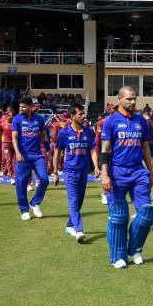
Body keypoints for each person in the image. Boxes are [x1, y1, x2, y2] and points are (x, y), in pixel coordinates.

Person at [100, 86, 153, 268]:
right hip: (117, 172)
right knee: (119, 217)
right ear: (119, 99)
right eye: (129, 99)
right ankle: (118, 256)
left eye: (134, 99)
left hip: (138, 171)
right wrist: (104, 175)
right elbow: (104, 151)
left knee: (147, 213)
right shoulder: (110, 122)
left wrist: (150, 170)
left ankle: (134, 249)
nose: (133, 102)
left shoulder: (141, 120)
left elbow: (146, 148)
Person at [53, 104, 99, 242]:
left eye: (83, 114)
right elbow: (57, 151)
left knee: (79, 200)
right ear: (72, 116)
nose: (83, 116)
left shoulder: (88, 132)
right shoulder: (64, 133)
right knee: (73, 200)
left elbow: (92, 150)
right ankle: (79, 230)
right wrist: (55, 172)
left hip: (84, 171)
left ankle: (69, 225)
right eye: (79, 114)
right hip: (70, 171)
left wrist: (96, 166)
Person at [11, 97, 49, 221]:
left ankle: (35, 203)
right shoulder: (17, 119)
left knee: (44, 179)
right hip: (23, 156)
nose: (20, 109)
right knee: (21, 183)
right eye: (20, 106)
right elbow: (14, 137)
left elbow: (43, 135)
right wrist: (17, 153)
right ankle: (24, 210)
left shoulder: (39, 119)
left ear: (30, 107)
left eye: (23, 107)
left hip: (37, 155)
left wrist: (48, 150)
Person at [95, 106, 116, 205]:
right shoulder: (103, 122)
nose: (114, 110)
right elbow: (97, 139)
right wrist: (98, 153)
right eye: (112, 108)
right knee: (105, 173)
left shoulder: (122, 120)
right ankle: (105, 193)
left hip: (117, 152)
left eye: (115, 108)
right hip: (106, 151)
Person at [0, 109, 15, 183]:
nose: (11, 118)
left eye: (12, 117)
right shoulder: (2, 124)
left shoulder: (16, 124)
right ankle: (11, 177)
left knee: (14, 161)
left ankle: (15, 175)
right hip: (6, 145)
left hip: (14, 144)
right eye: (9, 117)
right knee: (8, 160)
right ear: (7, 117)